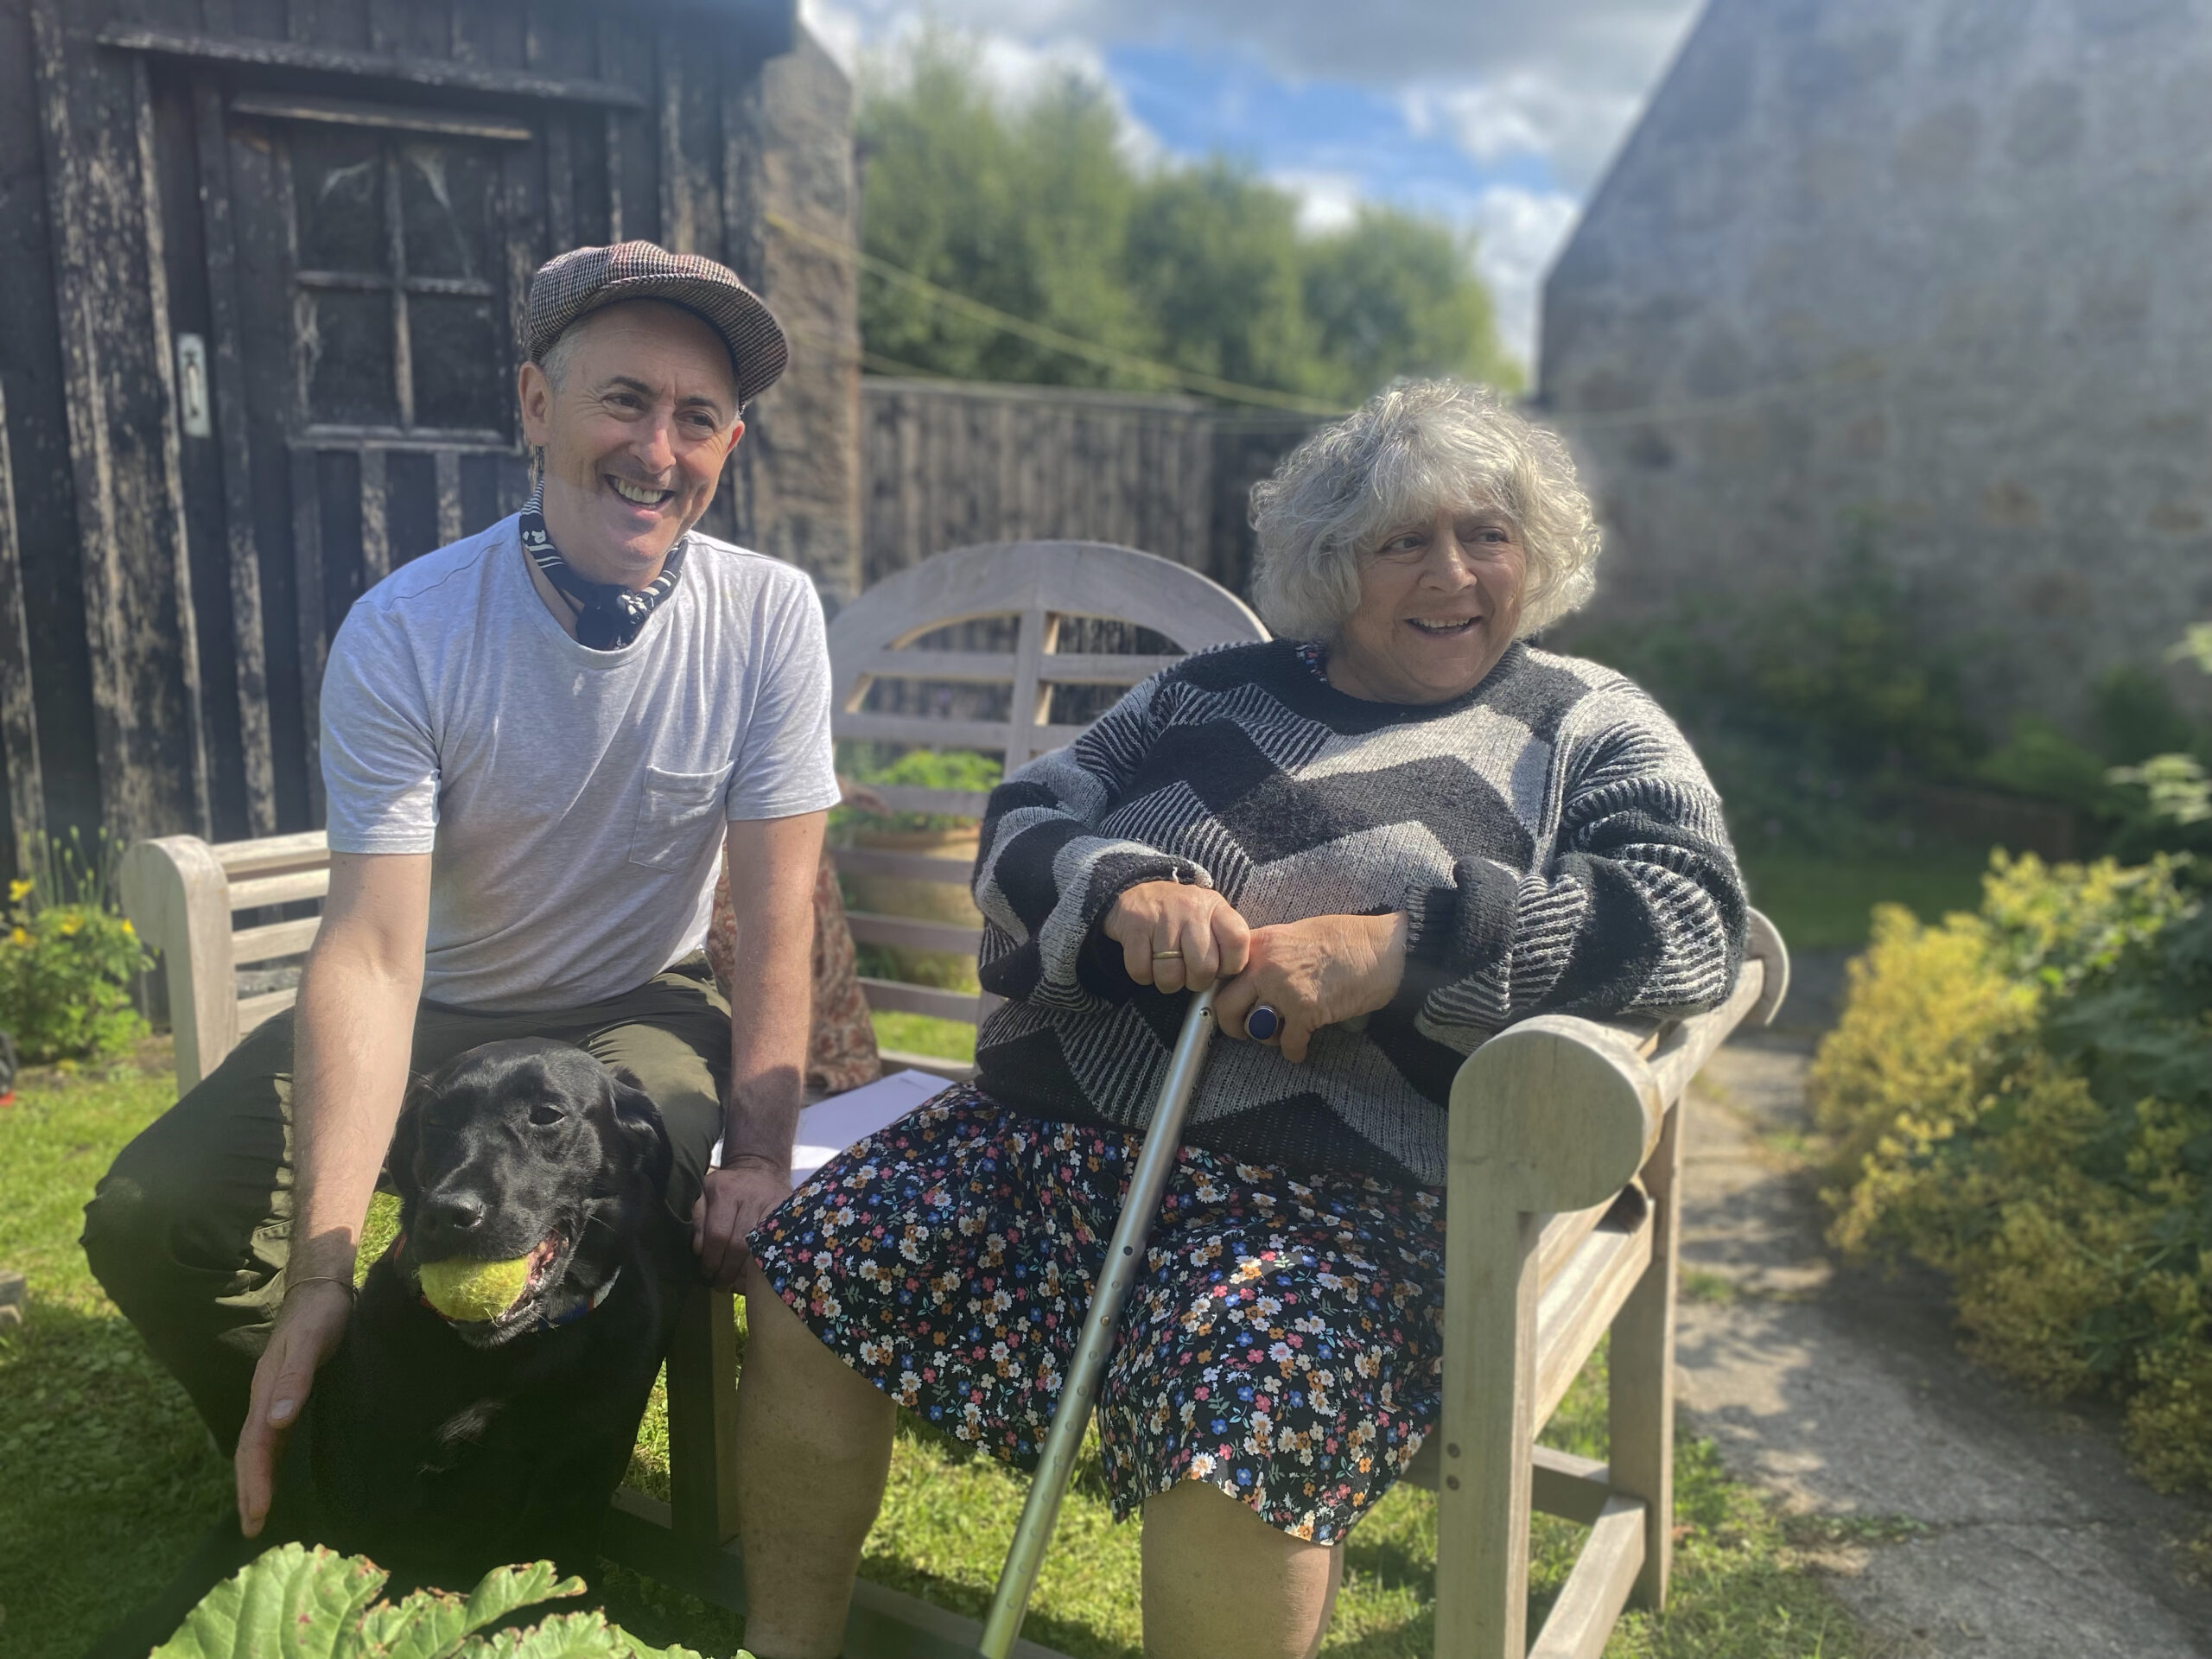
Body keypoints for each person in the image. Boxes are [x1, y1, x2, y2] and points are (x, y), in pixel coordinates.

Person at [727, 379, 1749, 1659]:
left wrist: (1404, 948)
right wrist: (1118, 891)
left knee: (1250, 1407)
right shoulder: (1204, 693)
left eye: (1487, 534)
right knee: (817, 1262)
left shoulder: (1585, 723)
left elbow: (1694, 917)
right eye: (1402, 542)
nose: (1453, 573)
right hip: (1054, 1141)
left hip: (1337, 1202)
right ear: (1333, 561)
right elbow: (1022, 825)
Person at [81, 241, 840, 1545]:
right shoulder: (411, 630)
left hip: (629, 1008)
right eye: (624, 400)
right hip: (428, 1003)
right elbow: (372, 954)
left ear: (730, 444)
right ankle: (320, 1448)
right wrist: (321, 1269)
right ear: (538, 406)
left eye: (698, 418)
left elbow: (777, 915)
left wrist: (762, 1156)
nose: (659, 450)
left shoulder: (768, 617)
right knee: (157, 1218)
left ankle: (534, 1502)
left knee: (642, 1193)